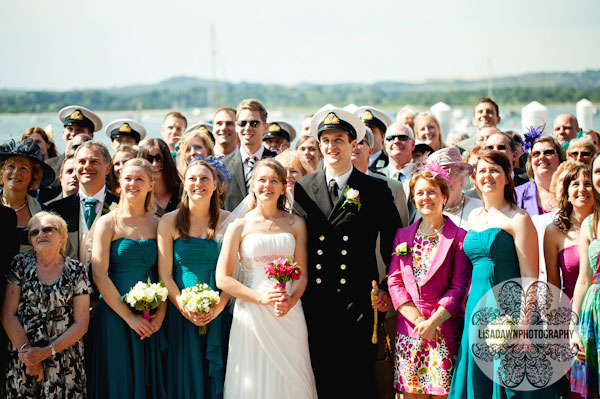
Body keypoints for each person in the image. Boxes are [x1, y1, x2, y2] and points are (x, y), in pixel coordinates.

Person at [293, 107, 401, 398]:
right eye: (326, 140)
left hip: (357, 302)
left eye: (339, 139)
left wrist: (389, 289)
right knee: (321, 377)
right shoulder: (302, 188)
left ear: (354, 145)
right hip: (314, 301)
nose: (331, 146)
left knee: (358, 379)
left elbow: (395, 244)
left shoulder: (375, 189)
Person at [216, 159, 317, 398]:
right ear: (252, 185)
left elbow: (301, 274)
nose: (267, 186)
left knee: (294, 377)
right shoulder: (239, 225)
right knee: (252, 377)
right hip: (251, 312)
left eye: (274, 181)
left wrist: (291, 300)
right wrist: (260, 298)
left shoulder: (296, 223)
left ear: (283, 187)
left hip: (288, 311)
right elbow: (223, 278)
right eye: (261, 180)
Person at [449, 150, 539, 398]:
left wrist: (522, 327)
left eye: (494, 170)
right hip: (476, 311)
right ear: (474, 179)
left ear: (508, 177)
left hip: (507, 311)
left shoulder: (519, 218)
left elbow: (531, 277)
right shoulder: (474, 217)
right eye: (481, 171)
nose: (487, 176)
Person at [388, 166, 471, 397]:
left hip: (442, 329)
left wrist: (433, 322)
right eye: (420, 193)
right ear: (414, 199)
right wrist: (419, 322)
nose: (426, 197)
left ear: (444, 196)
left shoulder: (460, 237)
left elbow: (459, 287)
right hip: (410, 330)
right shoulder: (402, 236)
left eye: (432, 192)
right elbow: (395, 283)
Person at [89, 158, 166, 399]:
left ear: (150, 185)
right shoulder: (107, 223)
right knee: (118, 378)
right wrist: (130, 318)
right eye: (128, 178)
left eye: (140, 179)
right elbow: (99, 275)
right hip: (115, 314)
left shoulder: (160, 224)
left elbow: (164, 274)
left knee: (146, 380)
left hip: (150, 315)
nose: (133, 183)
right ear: (120, 183)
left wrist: (160, 315)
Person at [158, 158, 231, 399]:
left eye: (204, 179)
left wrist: (218, 308)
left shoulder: (229, 220)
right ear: (184, 184)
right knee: (184, 373)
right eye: (192, 178)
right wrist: (183, 307)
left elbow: (234, 272)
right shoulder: (169, 221)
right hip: (180, 311)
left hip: (220, 311)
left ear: (215, 186)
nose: (198, 183)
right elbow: (165, 274)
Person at [1, 211, 91, 398]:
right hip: (24, 361)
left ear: (63, 237)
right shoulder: (19, 265)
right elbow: (8, 315)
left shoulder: (76, 270)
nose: (41, 234)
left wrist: (47, 352)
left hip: (65, 362)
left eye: (48, 229)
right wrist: (31, 358)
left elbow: (81, 323)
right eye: (35, 232)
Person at [46, 141, 118, 265]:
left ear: (107, 168)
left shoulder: (121, 206)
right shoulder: (56, 209)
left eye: (94, 161)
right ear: (75, 168)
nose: (87, 166)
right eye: (82, 162)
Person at [569, 153, 600, 398]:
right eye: (598, 172)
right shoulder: (589, 223)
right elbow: (583, 279)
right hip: (593, 315)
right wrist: (573, 327)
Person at [545, 164, 595, 300]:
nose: (582, 189)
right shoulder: (553, 231)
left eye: (588, 184)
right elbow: (553, 285)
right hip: (569, 311)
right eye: (575, 184)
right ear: (567, 194)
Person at [0, 139, 55, 253]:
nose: (16, 173)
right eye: (11, 166)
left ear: (33, 176)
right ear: (2, 171)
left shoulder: (42, 213)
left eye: (23, 168)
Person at [223, 98, 277, 211]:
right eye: (242, 123)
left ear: (265, 127)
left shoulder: (277, 161)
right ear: (236, 126)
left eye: (254, 123)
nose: (248, 128)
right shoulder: (222, 166)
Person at [422, 147, 481, 230]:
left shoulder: (479, 208)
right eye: (434, 174)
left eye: (445, 171)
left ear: (462, 175)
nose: (440, 177)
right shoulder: (426, 210)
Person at [516, 135, 566, 218]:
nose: (542, 157)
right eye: (536, 154)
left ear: (560, 158)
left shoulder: (571, 191)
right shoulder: (517, 195)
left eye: (548, 152)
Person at [138, 138, 181, 217]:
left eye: (159, 159)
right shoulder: (138, 194)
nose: (154, 164)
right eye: (149, 159)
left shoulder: (182, 192)